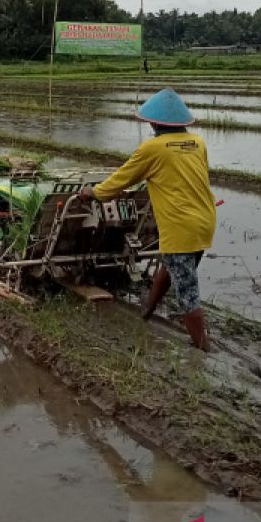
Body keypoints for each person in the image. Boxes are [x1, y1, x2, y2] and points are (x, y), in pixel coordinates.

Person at [78, 88, 216, 351]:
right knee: (172, 264)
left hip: (181, 227)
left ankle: (203, 350)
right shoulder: (198, 143)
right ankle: (148, 309)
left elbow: (121, 180)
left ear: (154, 122)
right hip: (205, 220)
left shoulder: (152, 148)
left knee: (187, 291)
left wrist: (92, 193)